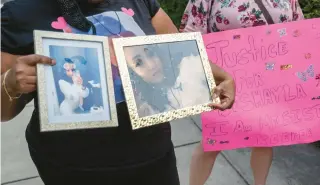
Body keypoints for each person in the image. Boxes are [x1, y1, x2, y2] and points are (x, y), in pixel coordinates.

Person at [1, 0, 235, 184]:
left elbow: (177, 48)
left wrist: (218, 76)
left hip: (152, 155)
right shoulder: (20, 14)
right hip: (73, 168)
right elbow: (3, 112)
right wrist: (10, 84)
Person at [179, 0, 320, 185]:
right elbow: (189, 36)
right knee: (213, 142)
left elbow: (303, 34)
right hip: (224, 80)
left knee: (263, 140)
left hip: (269, 81)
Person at [124, 43, 211, 117]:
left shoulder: (190, 67)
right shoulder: (148, 112)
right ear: (132, 73)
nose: (152, 65)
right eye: (138, 63)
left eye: (150, 53)